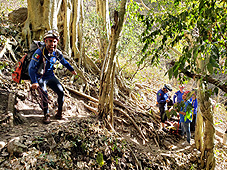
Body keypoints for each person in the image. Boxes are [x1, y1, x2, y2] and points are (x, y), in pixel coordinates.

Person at [28, 29, 77, 124]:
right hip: (40, 77)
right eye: (50, 41)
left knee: (61, 92)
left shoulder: (57, 53)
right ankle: (46, 115)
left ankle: (59, 113)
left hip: (50, 76)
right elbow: (31, 67)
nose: (52, 44)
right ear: (45, 41)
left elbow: (64, 62)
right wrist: (34, 81)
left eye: (54, 42)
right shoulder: (39, 52)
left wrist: (71, 69)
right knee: (44, 94)